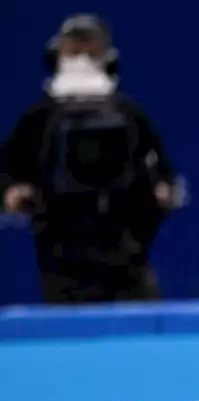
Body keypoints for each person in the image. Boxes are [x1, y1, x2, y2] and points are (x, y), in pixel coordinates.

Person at [0, 13, 176, 303]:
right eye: (74, 50)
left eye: (90, 50)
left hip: (126, 259)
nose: (81, 59)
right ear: (57, 55)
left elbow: (163, 172)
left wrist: (160, 191)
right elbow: (5, 170)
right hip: (62, 261)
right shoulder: (38, 118)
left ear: (107, 57)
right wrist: (12, 192)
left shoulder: (129, 114)